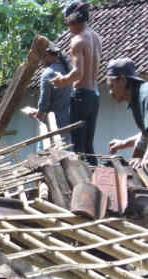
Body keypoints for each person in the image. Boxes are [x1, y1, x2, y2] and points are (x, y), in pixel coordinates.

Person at [51, 1, 102, 165]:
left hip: (81, 96)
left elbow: (78, 73)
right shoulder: (96, 37)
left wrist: (61, 81)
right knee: (88, 144)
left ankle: (82, 183)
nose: (68, 28)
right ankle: (95, 180)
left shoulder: (78, 41)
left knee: (78, 146)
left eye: (67, 23)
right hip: (94, 95)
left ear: (73, 19)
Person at [104, 58, 148, 170]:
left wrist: (144, 160)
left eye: (111, 86)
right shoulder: (136, 101)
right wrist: (123, 144)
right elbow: (145, 136)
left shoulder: (145, 95)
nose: (110, 92)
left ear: (122, 80)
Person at [31, 44, 72, 144]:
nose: (40, 61)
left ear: (47, 55)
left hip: (51, 126)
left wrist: (38, 113)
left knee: (46, 157)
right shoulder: (68, 71)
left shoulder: (48, 73)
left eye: (41, 57)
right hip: (66, 124)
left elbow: (44, 103)